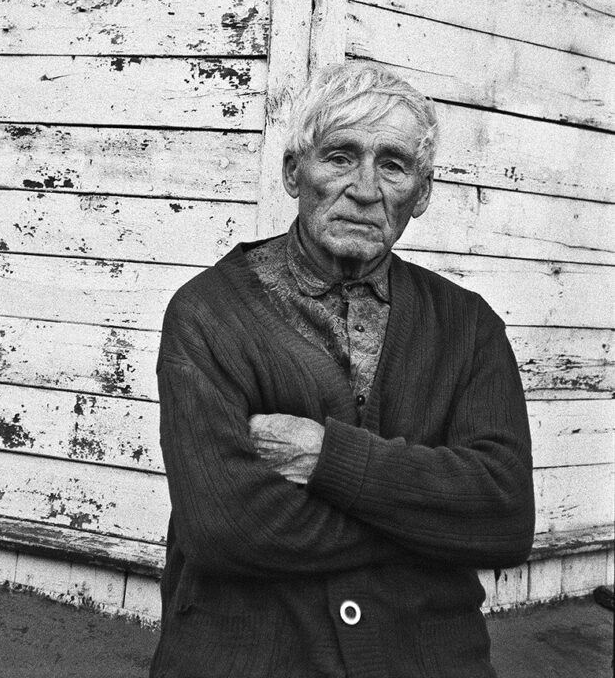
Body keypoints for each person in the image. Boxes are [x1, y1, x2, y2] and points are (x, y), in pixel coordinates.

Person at [149, 62, 534, 678]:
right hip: (252, 656)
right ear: (292, 172)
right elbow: (226, 527)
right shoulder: (207, 314)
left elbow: (506, 518)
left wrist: (329, 458)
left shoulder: (469, 326)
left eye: (393, 164)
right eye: (340, 156)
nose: (364, 187)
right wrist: (433, 521)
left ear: (423, 192)